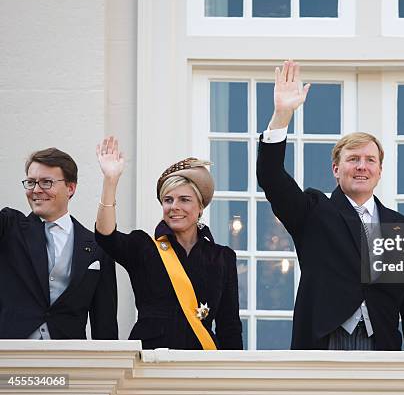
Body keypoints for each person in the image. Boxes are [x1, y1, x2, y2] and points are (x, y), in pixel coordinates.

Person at [257, 60, 404, 350]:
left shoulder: (402, 227)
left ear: (379, 171)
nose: (362, 166)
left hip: (383, 350)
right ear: (336, 169)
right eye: (353, 159)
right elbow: (271, 177)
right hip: (325, 344)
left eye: (370, 160)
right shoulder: (312, 211)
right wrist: (281, 117)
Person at [94, 136, 242, 350]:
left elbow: (230, 326)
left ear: (200, 207)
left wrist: (233, 377)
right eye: (168, 200)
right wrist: (110, 181)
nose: (174, 206)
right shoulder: (143, 247)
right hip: (152, 364)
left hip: (203, 363)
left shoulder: (222, 257)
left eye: (185, 199)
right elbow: (105, 236)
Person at [0, 148, 118, 340]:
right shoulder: (9, 226)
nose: (36, 190)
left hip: (68, 359)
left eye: (46, 182)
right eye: (31, 182)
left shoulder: (97, 247)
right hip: (11, 357)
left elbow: (104, 321)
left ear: (70, 188)